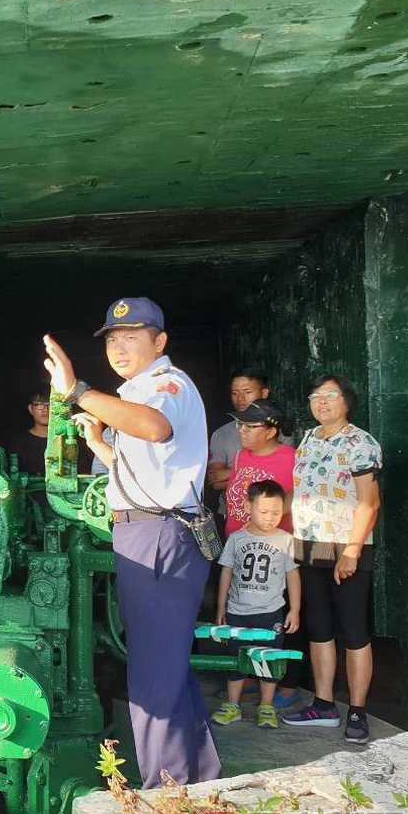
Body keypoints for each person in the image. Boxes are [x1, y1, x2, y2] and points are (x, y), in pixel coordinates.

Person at [46, 297, 221, 787]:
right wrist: (101, 442)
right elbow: (147, 464)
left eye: (132, 337)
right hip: (146, 530)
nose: (120, 348)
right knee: (166, 663)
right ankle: (198, 776)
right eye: (113, 340)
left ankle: (165, 792)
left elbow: (154, 426)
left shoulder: (167, 384)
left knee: (151, 675)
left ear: (159, 342)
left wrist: (77, 390)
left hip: (160, 535)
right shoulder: (137, 391)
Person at [281, 375, 382, 744]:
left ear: (346, 402)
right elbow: (302, 489)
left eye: (330, 396)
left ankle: (357, 710)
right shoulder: (308, 440)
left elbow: (370, 502)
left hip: (345, 544)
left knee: (353, 630)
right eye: (315, 396)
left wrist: (352, 550)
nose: (321, 403)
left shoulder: (360, 443)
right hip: (311, 543)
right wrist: (275, 514)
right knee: (319, 626)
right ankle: (323, 704)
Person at [211, 480, 301, 730]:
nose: (270, 518)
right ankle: (233, 706)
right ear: (247, 506)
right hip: (237, 611)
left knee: (269, 660)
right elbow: (226, 573)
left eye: (276, 512)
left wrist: (295, 609)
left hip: (271, 612)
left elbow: (293, 576)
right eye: (263, 512)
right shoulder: (236, 539)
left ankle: (267, 707)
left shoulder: (286, 540)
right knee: (236, 660)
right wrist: (221, 608)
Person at [207, 368, 277, 516]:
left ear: (264, 393)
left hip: (271, 517)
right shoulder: (221, 434)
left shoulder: (277, 429)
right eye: (235, 393)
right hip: (231, 515)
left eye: (247, 392)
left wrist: (232, 474)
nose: (240, 398)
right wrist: (261, 473)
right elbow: (216, 481)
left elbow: (280, 476)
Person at [223, 400, 295, 537]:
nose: (242, 430)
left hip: (271, 549)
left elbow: (297, 497)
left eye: (250, 426)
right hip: (235, 546)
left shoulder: (292, 459)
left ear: (271, 432)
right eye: (241, 424)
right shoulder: (240, 455)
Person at [9, 389, 51, 477]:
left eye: (50, 404)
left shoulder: (68, 441)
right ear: (30, 409)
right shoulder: (18, 443)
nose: (45, 409)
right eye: (39, 405)